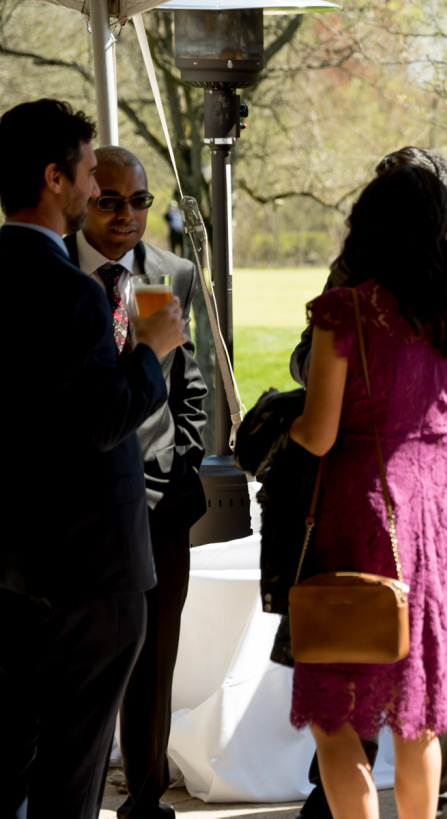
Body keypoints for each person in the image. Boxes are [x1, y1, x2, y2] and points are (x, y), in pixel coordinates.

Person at [289, 146, 447, 819]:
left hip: (358, 509)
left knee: (339, 710)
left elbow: (317, 433)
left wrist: (275, 431)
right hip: (432, 517)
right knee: (418, 709)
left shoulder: (342, 311)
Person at [1, 99, 187, 819]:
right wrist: (152, 350)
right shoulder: (74, 295)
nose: (91, 189)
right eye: (85, 173)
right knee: (72, 774)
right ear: (54, 178)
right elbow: (102, 420)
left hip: (8, 563)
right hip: (88, 572)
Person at [65, 146, 208, 819]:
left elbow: (192, 382)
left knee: (155, 659)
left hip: (160, 501)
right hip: (76, 503)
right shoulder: (56, 275)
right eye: (111, 200)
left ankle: (145, 801)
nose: (128, 215)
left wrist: (181, 456)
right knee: (79, 663)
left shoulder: (171, 272)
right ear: (84, 200)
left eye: (141, 200)